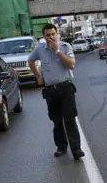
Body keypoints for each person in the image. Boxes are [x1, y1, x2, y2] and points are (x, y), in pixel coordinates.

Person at [27, 23, 85, 160]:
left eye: (53, 34)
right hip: (50, 90)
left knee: (70, 119)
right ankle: (61, 147)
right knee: (57, 121)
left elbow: (71, 64)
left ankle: (76, 150)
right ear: (44, 37)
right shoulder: (40, 49)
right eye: (48, 35)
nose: (51, 37)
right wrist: (38, 76)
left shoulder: (65, 47)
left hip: (65, 88)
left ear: (57, 34)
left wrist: (57, 52)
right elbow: (30, 61)